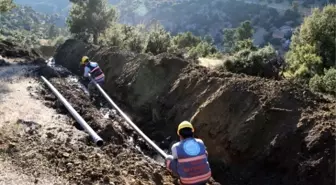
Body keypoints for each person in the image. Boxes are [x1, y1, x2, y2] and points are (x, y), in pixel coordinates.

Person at [166, 121, 212, 185]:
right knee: (205, 153)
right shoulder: (200, 142)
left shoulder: (176, 146)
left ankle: (180, 180)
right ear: (192, 132)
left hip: (188, 182)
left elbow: (175, 159)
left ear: (179, 134)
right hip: (206, 178)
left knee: (169, 159)